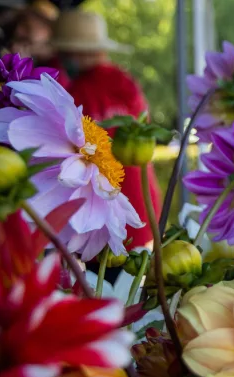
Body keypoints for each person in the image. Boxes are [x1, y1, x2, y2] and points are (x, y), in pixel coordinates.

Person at [52, 9, 160, 252]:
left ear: (75, 53)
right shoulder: (126, 82)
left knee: (100, 284)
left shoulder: (77, 93)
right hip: (140, 205)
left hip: (97, 214)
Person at [7, 0, 58, 65]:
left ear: (45, 30)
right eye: (18, 24)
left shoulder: (53, 60)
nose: (18, 31)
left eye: (27, 28)